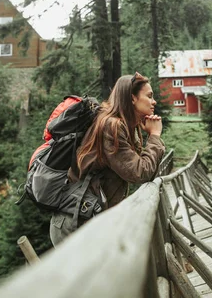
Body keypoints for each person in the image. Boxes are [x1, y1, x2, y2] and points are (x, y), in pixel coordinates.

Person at [49, 72, 165, 246]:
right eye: (149, 96)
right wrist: (155, 136)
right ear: (132, 98)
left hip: (88, 218)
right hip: (75, 222)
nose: (153, 101)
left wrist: (147, 135)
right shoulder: (112, 126)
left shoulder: (125, 126)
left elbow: (143, 169)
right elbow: (140, 173)